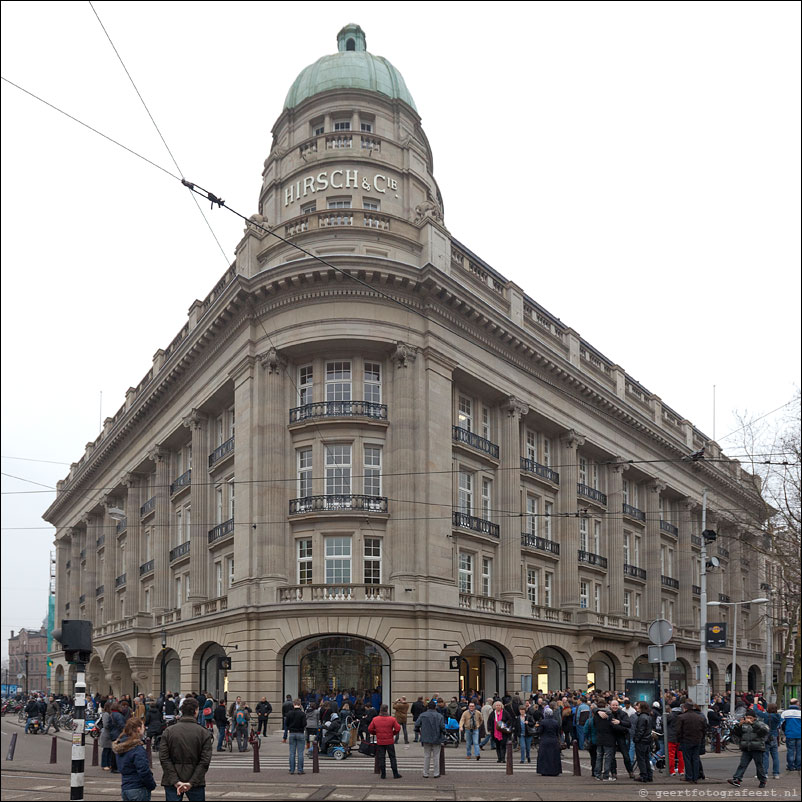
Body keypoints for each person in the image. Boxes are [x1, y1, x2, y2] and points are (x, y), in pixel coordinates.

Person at [158, 698, 213, 801]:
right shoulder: (203, 733)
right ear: (196, 711)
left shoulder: (169, 731)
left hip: (172, 779)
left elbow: (164, 758)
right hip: (196, 780)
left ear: (182, 711)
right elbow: (205, 761)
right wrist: (192, 782)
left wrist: (175, 780)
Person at [113, 716, 157, 801]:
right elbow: (143, 770)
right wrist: (151, 785)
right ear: (138, 729)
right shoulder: (137, 749)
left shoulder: (121, 746)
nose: (144, 729)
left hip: (126, 787)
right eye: (143, 727)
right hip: (138, 788)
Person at [727, 710, 769, 788]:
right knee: (742, 764)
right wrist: (738, 726)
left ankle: (763, 780)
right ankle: (737, 779)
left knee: (759, 765)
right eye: (747, 717)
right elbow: (737, 734)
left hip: (757, 748)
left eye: (750, 718)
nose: (748, 719)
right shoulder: (743, 725)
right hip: (746, 748)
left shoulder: (759, 723)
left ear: (754, 718)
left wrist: (753, 724)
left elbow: (764, 731)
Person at [368, 704, 402, 779]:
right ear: (387, 710)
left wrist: (375, 733)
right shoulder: (392, 719)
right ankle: (395, 773)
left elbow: (370, 729)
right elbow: (398, 728)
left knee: (381, 757)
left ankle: (383, 774)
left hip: (380, 741)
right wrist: (393, 733)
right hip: (389, 741)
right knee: (392, 757)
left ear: (380, 710)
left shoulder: (375, 719)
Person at [676, 702, 706, 784]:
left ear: (685, 708)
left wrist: (679, 739)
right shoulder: (700, 717)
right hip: (697, 740)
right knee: (695, 758)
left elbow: (678, 731)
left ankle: (689, 776)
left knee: (687, 759)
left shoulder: (681, 717)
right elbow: (704, 730)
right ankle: (695, 777)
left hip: (686, 740)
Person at [414, 700, 445, 778]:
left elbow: (417, 725)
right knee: (436, 756)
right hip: (436, 737)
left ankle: (425, 773)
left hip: (426, 737)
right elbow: (442, 727)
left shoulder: (423, 715)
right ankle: (436, 773)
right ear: (435, 707)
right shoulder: (439, 716)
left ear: (428, 707)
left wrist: (419, 731)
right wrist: (443, 733)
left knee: (427, 755)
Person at [536, 706, 562, 776]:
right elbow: (558, 732)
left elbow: (539, 731)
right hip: (554, 740)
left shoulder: (543, 722)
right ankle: (555, 771)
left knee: (545, 756)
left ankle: (545, 770)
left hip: (545, 740)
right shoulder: (555, 722)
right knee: (554, 756)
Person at [632, 701, 653, 782]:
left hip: (641, 741)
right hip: (647, 741)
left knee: (641, 759)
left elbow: (640, 730)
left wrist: (636, 739)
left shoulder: (642, 717)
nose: (636, 707)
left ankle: (643, 775)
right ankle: (649, 775)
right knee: (646, 759)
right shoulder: (648, 716)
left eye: (638, 706)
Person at [285, 698, 306, 775]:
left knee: (292, 753)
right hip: (300, 733)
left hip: (292, 733)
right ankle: (300, 770)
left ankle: (292, 770)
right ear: (300, 705)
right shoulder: (302, 714)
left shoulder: (289, 713)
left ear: (293, 704)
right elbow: (304, 724)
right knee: (300, 753)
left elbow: (286, 724)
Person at [665, 700, 685, 777]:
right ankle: (681, 770)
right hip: (680, 737)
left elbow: (663, 723)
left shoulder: (670, 715)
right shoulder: (682, 715)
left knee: (671, 755)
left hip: (671, 737)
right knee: (681, 755)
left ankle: (672, 771)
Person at [781, 698, 801, 772]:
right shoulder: (800, 713)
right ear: (797, 704)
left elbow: (781, 724)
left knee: (790, 750)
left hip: (789, 734)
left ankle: (790, 766)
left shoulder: (785, 713)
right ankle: (798, 766)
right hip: (799, 734)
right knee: (799, 751)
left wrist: (784, 732)